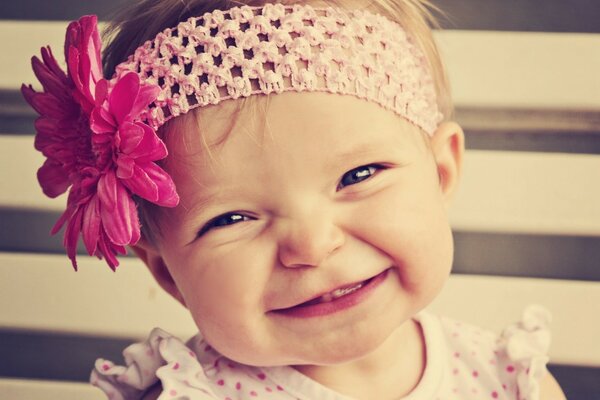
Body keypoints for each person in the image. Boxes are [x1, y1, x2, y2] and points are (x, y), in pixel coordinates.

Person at [22, 0, 566, 398]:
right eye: (231, 217)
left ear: (442, 173)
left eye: (358, 174)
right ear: (166, 273)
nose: (311, 244)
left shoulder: (511, 379)